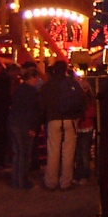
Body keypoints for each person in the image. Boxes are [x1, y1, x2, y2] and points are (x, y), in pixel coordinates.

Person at [38, 61, 81, 191]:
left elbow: (41, 105)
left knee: (53, 151)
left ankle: (51, 182)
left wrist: (42, 120)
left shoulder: (47, 85)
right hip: (70, 120)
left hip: (53, 119)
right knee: (68, 152)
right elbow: (81, 100)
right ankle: (66, 182)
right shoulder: (72, 84)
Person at [8, 67, 43, 190]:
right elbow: (33, 111)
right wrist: (33, 127)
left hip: (14, 124)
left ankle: (16, 180)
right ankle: (23, 181)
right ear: (32, 78)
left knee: (17, 154)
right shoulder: (31, 92)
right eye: (36, 78)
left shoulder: (18, 90)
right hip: (25, 125)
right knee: (24, 154)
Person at [73, 78, 96, 185]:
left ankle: (85, 175)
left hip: (86, 127)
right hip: (79, 127)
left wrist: (81, 116)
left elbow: (92, 113)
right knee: (78, 153)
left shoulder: (90, 100)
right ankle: (79, 174)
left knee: (84, 152)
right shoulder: (78, 99)